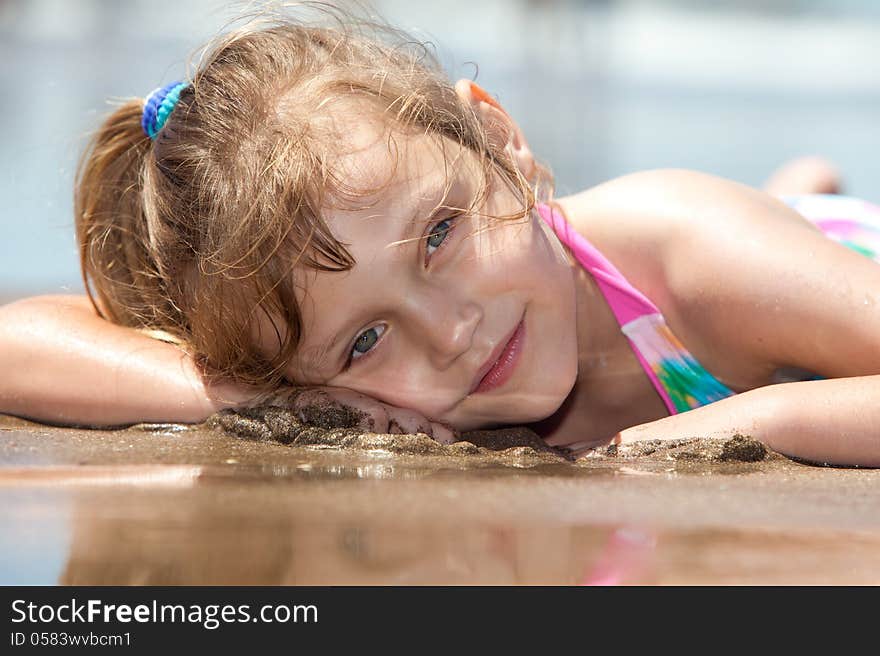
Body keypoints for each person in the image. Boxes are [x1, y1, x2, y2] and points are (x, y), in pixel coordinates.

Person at [2, 8, 879, 467]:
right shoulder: (328, 371)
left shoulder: (685, 247)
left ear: (496, 139)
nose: (450, 330)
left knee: (775, 256)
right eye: (366, 338)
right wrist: (246, 397)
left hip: (802, 266)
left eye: (440, 235)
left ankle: (797, 200)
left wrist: (752, 421)